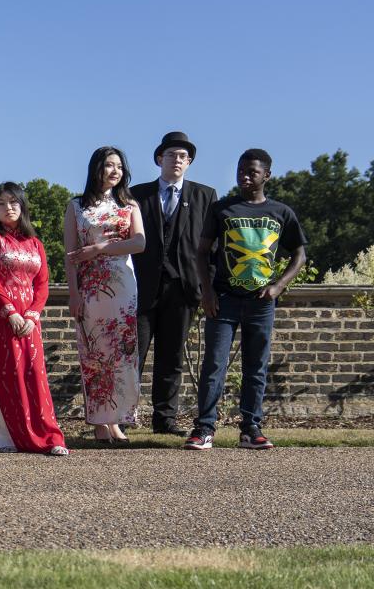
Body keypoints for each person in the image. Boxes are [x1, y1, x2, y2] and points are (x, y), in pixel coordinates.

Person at [185, 149, 307, 451]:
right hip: (223, 299)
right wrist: (208, 291)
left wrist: (278, 286)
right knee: (214, 364)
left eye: (252, 171)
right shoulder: (223, 209)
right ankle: (204, 428)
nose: (244, 176)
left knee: (257, 367)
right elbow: (201, 252)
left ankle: (251, 428)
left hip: (261, 302)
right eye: (241, 170)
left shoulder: (281, 213)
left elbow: (299, 255)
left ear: (267, 175)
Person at [0, 182, 69, 456]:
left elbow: (43, 283)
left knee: (34, 372)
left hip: (29, 315)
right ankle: (1, 436)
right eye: (1, 203)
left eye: (13, 202)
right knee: (4, 371)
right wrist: (9, 311)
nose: (8, 208)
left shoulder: (35, 243)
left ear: (22, 206)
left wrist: (33, 313)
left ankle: (46, 435)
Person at [131, 132, 217, 434]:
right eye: (171, 155)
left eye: (183, 156)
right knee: (133, 356)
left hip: (182, 288)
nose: (177, 160)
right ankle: (122, 419)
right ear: (159, 159)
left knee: (172, 357)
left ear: (189, 162)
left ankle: (164, 420)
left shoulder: (205, 195)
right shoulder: (137, 194)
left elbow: (212, 246)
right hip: (142, 287)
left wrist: (206, 286)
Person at [65, 146, 146, 443]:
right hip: (90, 289)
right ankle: (100, 422)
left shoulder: (129, 204)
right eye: (109, 165)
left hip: (123, 287)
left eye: (119, 166)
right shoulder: (76, 207)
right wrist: (73, 294)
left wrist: (100, 248)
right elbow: (70, 255)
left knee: (122, 354)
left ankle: (117, 420)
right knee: (94, 354)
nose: (115, 171)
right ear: (96, 168)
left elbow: (139, 243)